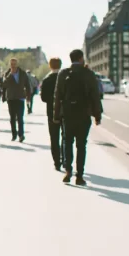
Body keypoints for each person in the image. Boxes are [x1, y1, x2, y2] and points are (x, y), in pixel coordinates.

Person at [53, 49, 103, 186]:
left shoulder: (63, 73)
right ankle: (79, 175)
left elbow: (57, 96)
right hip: (83, 114)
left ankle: (68, 171)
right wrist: (97, 115)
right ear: (81, 58)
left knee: (67, 141)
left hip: (68, 113)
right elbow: (95, 96)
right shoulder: (88, 74)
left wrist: (56, 115)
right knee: (81, 145)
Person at [39, 57, 64, 171]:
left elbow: (43, 98)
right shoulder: (64, 77)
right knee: (65, 137)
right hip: (64, 111)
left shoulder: (47, 79)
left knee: (54, 137)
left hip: (52, 111)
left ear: (50, 66)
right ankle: (65, 159)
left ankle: (56, 162)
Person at [1, 58, 32, 142]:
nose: (13, 65)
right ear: (9, 65)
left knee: (20, 117)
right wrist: (10, 75)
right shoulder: (7, 73)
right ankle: (14, 134)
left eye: (14, 64)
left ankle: (21, 135)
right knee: (12, 118)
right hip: (11, 98)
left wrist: (28, 97)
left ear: (17, 64)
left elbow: (28, 86)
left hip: (20, 98)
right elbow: (4, 85)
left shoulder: (22, 73)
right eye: (11, 64)